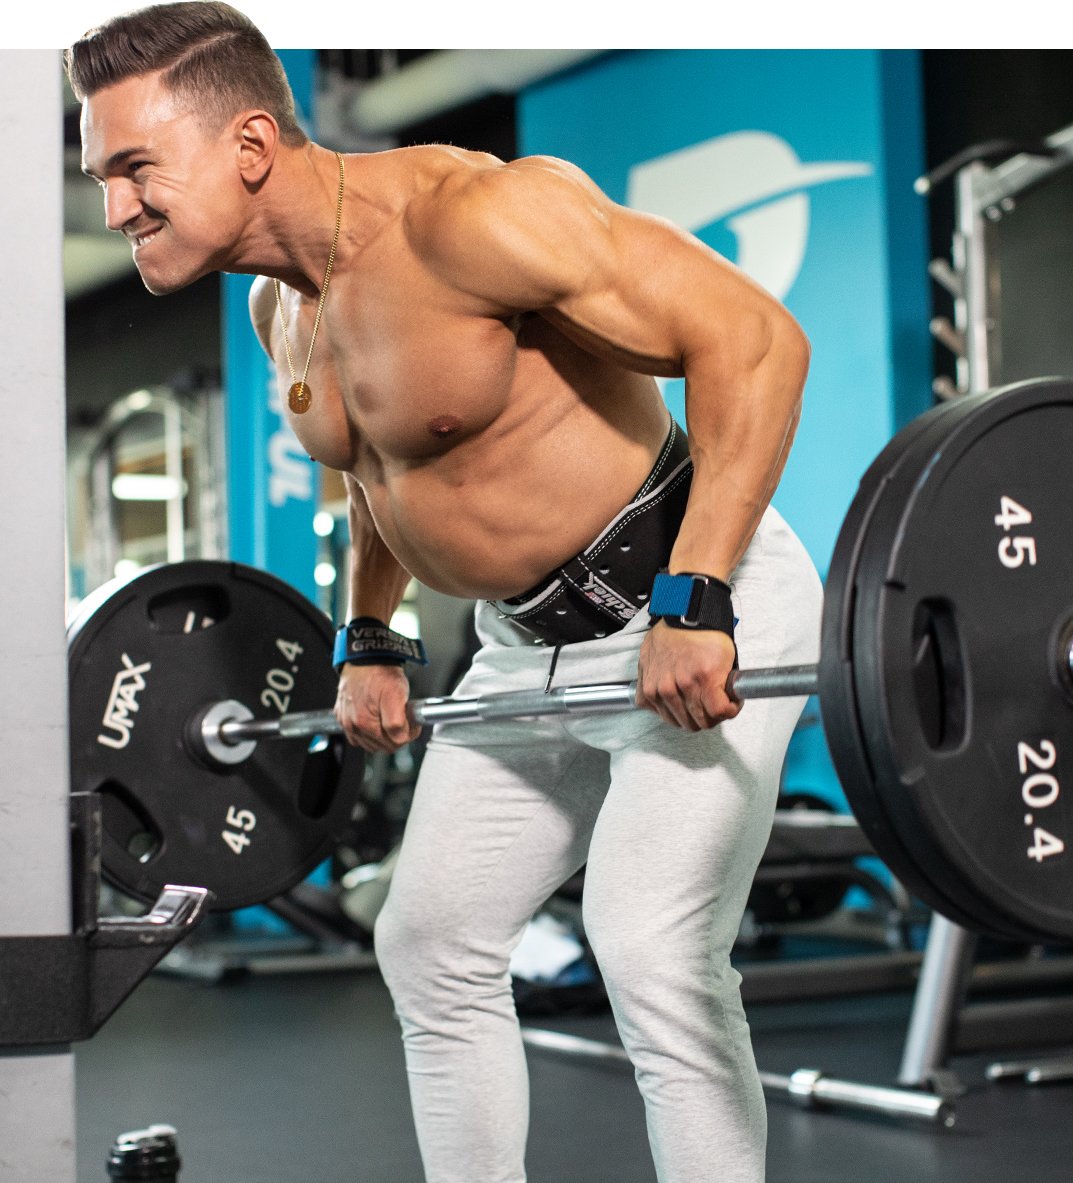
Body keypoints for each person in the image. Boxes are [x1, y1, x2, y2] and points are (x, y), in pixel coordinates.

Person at [67, 7, 824, 1180]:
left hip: (684, 595)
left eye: (133, 169)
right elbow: (379, 475)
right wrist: (369, 634)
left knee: (651, 948)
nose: (116, 209)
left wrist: (698, 594)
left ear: (250, 146)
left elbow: (758, 341)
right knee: (428, 941)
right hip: (520, 650)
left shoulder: (472, 220)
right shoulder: (282, 307)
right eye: (101, 177)